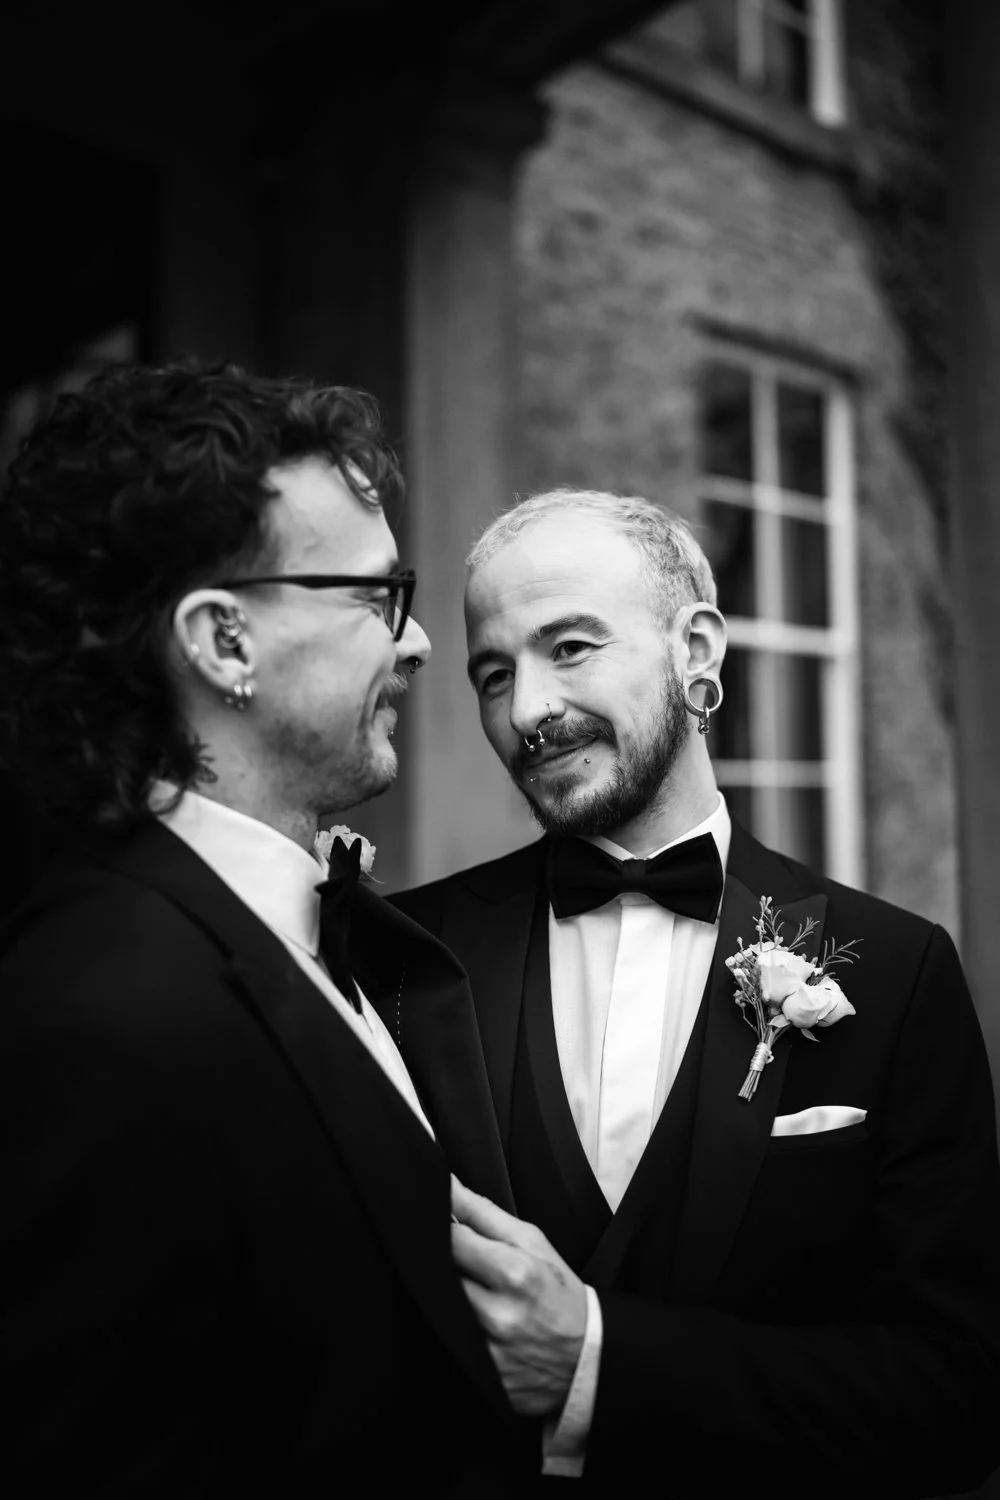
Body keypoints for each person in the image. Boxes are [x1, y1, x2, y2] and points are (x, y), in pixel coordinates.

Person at [392, 487, 1000, 1495]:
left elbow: (958, 1392)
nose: (527, 710)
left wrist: (599, 1362)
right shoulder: (409, 957)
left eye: (571, 647)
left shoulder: (894, 971)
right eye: (492, 674)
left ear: (698, 651)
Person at [0, 361, 531, 1498]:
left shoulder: (317, 932)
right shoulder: (95, 1031)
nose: (424, 641)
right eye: (377, 598)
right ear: (222, 644)